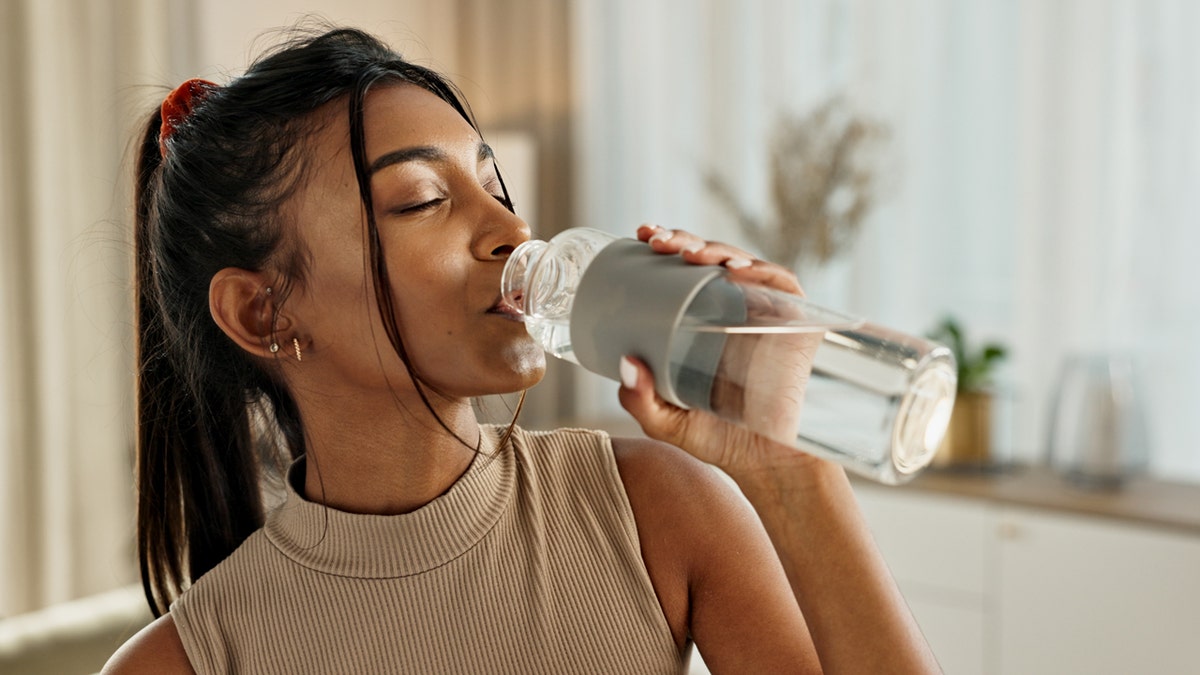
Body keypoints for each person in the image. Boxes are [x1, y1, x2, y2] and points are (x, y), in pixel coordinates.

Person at [103, 25, 940, 674]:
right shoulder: (189, 659)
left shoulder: (652, 508)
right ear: (261, 309)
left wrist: (791, 475)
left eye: (494, 183)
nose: (511, 229)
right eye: (424, 198)